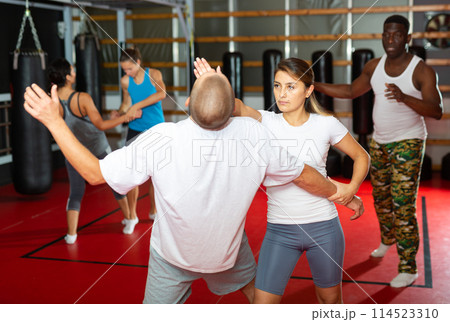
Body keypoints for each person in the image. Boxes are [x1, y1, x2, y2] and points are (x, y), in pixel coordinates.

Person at [23, 69, 363, 303]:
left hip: (171, 256)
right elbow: (304, 174)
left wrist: (54, 121)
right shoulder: (255, 136)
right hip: (226, 254)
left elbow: (95, 174)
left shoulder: (162, 138)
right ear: (232, 110)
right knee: (259, 301)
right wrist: (342, 194)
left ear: (187, 104)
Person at [193, 57, 369, 304]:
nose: (282, 94)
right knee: (263, 306)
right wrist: (212, 82)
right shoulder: (267, 122)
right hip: (280, 231)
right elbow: (235, 106)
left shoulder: (326, 124)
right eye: (277, 86)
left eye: (291, 86)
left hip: (324, 228)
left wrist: (351, 190)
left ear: (308, 90)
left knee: (329, 301)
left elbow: (362, 156)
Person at [314, 15, 443, 288]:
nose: (390, 39)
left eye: (397, 35)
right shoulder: (375, 67)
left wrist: (405, 97)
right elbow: (350, 90)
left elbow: (437, 111)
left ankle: (409, 267)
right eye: (386, 34)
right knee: (381, 200)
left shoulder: (421, 71)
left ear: (408, 39)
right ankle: (388, 239)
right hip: (379, 142)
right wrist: (315, 86)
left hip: (409, 141)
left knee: (402, 205)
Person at [47, 58, 141, 243]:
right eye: (72, 71)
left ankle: (71, 234)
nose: (75, 74)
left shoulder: (53, 101)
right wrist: (126, 117)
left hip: (74, 150)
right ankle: (131, 218)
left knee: (75, 191)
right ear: (67, 77)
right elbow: (101, 124)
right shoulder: (82, 98)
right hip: (96, 146)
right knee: (114, 182)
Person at [118, 47, 166, 233]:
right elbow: (125, 104)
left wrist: (137, 105)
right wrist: (121, 112)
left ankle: (154, 211)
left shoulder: (153, 74)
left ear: (138, 62)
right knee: (131, 174)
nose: (127, 73)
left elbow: (161, 94)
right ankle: (131, 216)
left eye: (129, 69)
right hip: (135, 130)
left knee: (155, 176)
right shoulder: (125, 81)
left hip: (155, 128)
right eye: (124, 70)